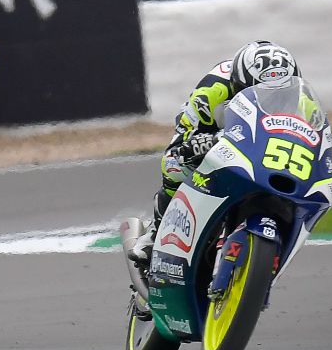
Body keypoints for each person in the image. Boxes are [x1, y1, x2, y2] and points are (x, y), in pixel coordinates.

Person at [127, 40, 301, 273]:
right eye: (265, 93)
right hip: (212, 134)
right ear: (240, 86)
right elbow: (177, 148)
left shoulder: (299, 97)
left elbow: (309, 137)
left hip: (265, 147)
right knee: (174, 166)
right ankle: (156, 233)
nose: (274, 100)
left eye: (281, 93)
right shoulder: (212, 92)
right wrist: (194, 146)